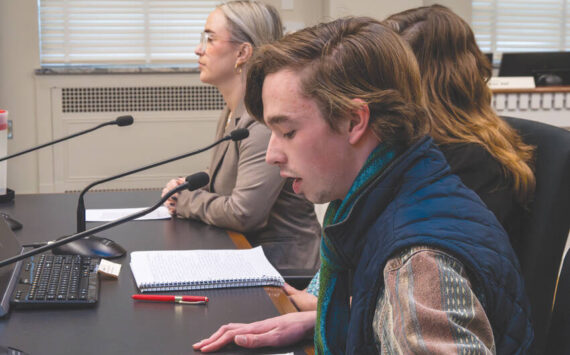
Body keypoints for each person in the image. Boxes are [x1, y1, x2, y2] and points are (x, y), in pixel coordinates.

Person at [192, 17, 533, 353]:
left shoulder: (418, 265)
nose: (272, 155)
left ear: (354, 121)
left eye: (289, 132)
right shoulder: (385, 198)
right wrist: (325, 319)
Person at [291, 3, 538, 313]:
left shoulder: (463, 164)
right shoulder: (417, 153)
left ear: (412, 77)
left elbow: (439, 286)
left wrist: (324, 309)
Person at [162, 0, 321, 272]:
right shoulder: (235, 110)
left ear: (243, 52)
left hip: (283, 269)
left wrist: (184, 200)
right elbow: (226, 178)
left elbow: (244, 213)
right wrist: (190, 184)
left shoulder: (261, 121)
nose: (198, 49)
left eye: (210, 39)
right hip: (247, 254)